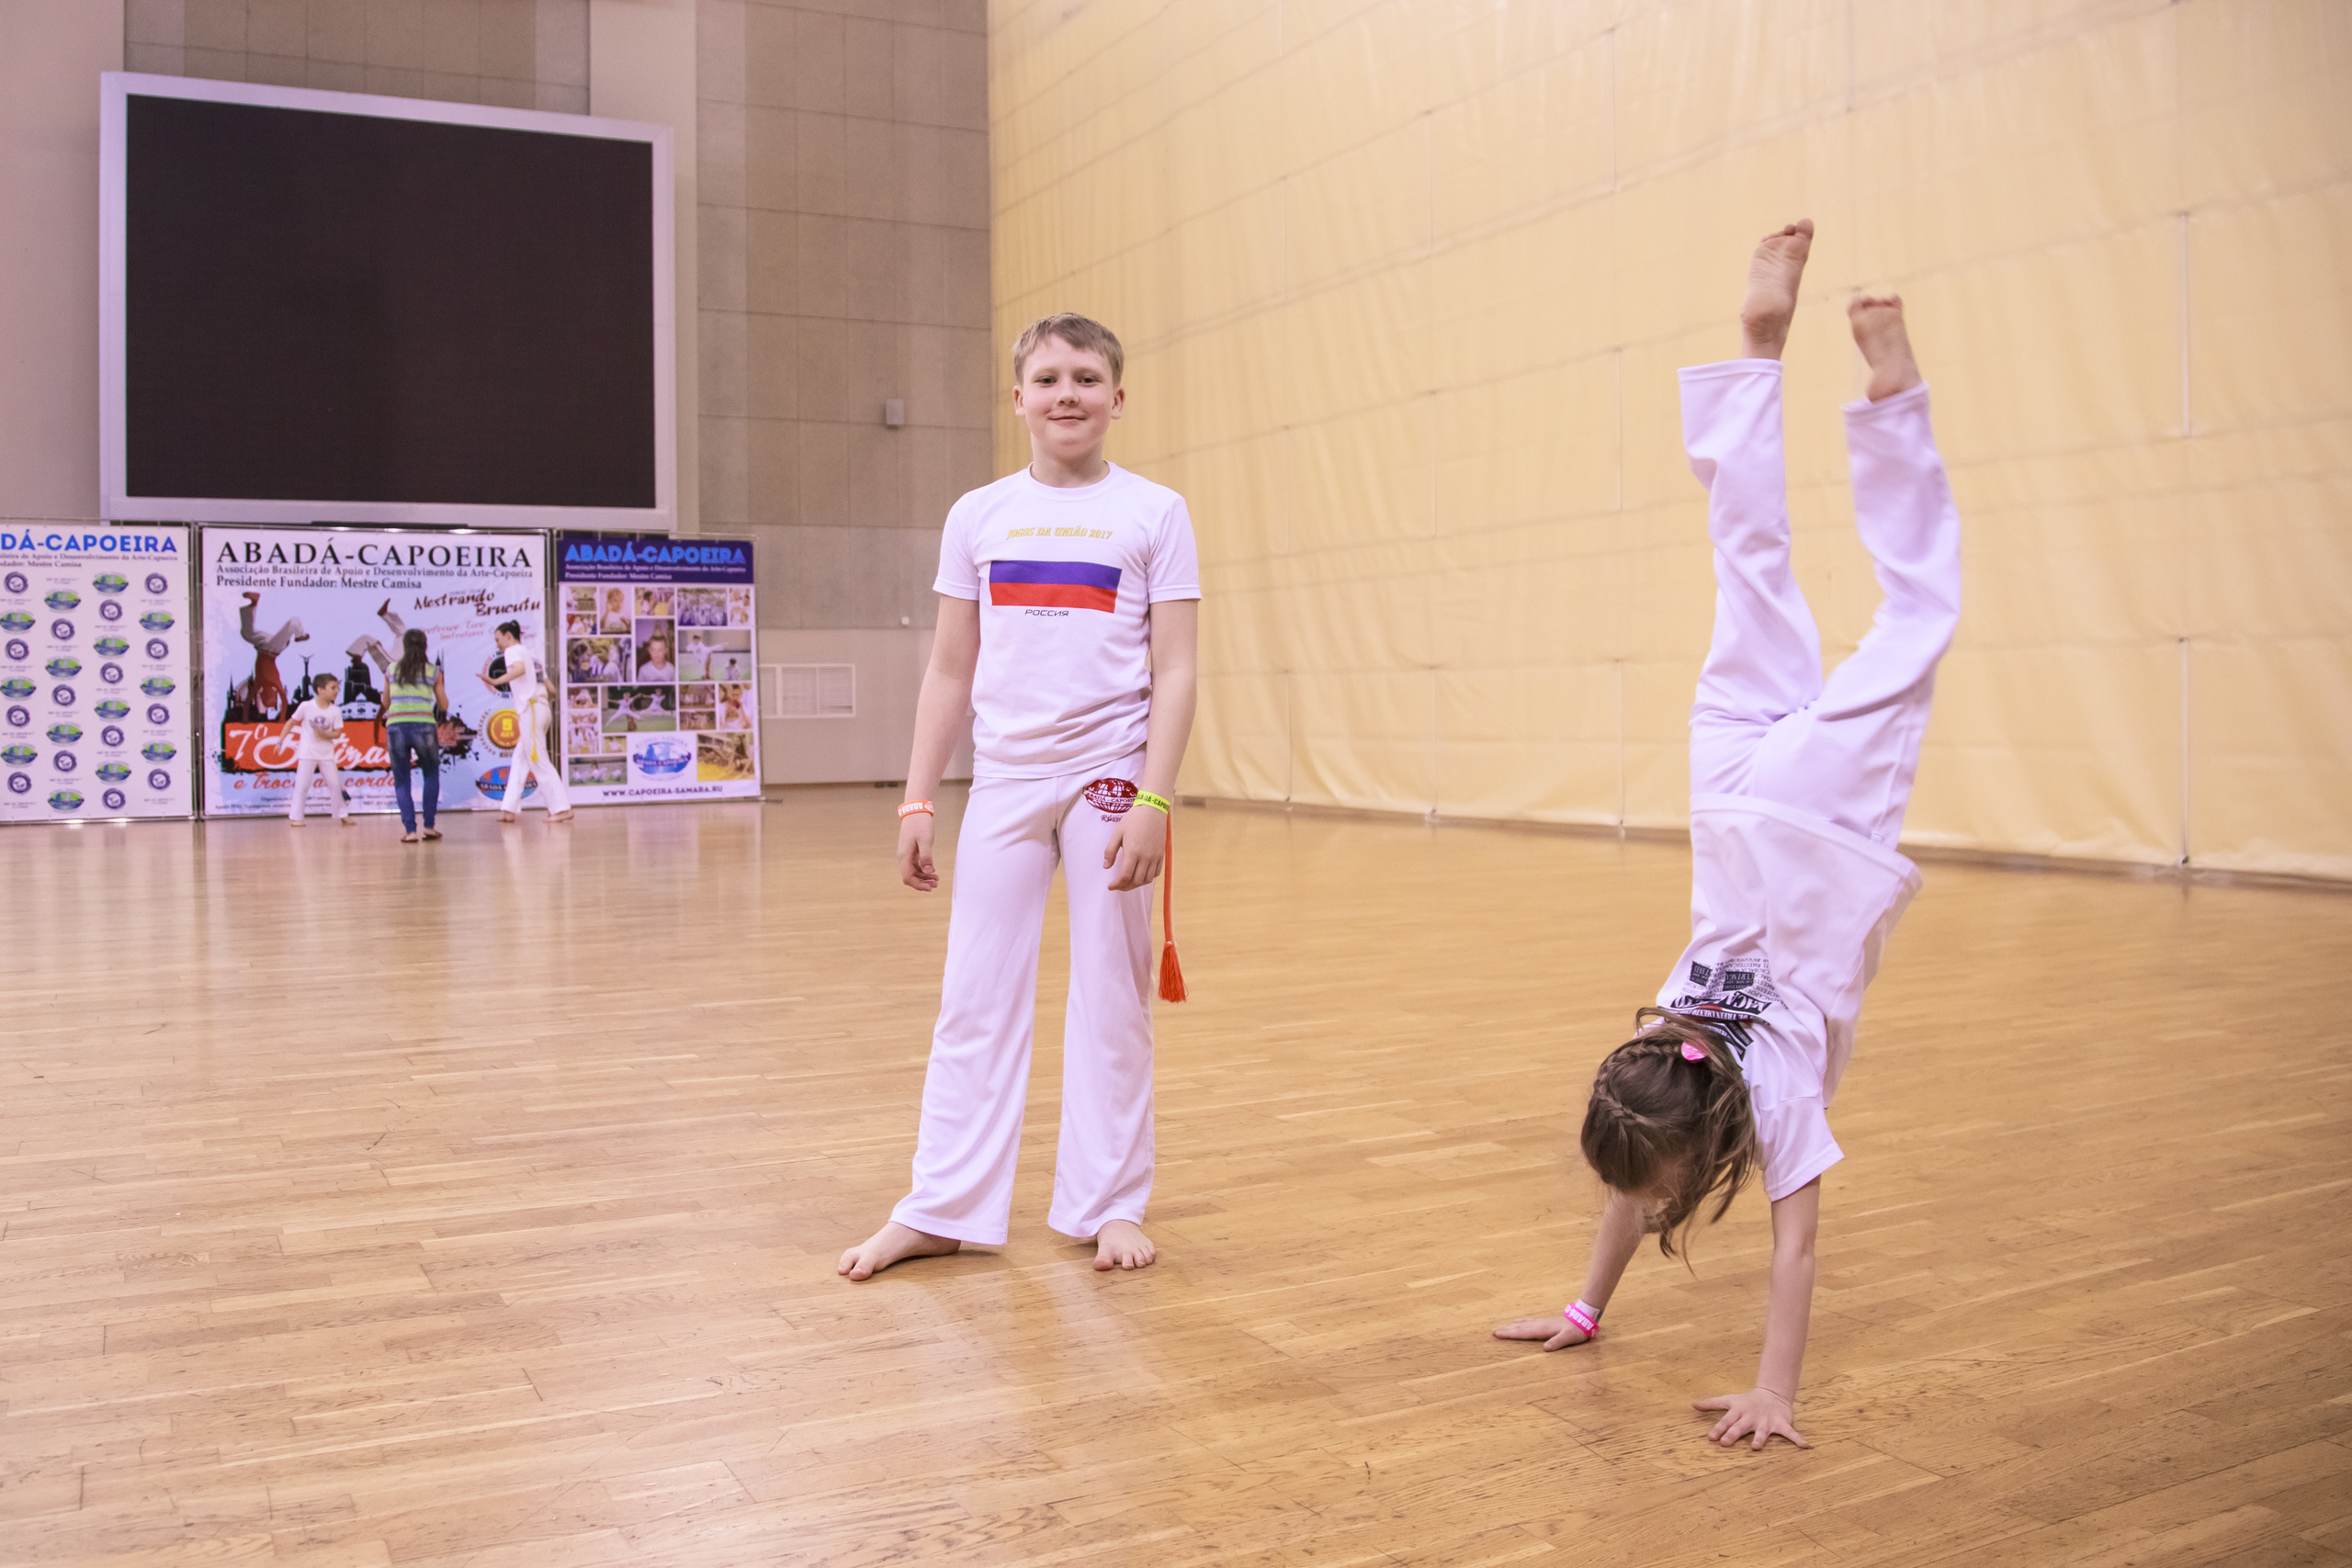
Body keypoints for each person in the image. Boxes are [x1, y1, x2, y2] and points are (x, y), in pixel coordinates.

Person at [1490, 221, 1960, 1452]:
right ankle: (1757, 350)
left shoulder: (1776, 1092)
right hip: (1730, 789)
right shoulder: (1665, 1039)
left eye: (1651, 1188)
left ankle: (1892, 395)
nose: (1642, 1205)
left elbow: (1795, 1250)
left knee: (1915, 618)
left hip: (1813, 825)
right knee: (1745, 560)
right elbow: (1632, 1181)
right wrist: (1583, 1311)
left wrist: (1775, 1395)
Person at [839, 311, 1201, 1281]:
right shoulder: (978, 514)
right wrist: (918, 800)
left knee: (1112, 995)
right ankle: (942, 1208)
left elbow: (1175, 670)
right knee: (973, 996)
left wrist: (1154, 802)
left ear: (1117, 397)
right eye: (1047, 379)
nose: (1066, 394)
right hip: (1002, 781)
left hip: (1110, 781)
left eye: (1085, 378)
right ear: (1017, 399)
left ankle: (1107, 1203)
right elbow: (949, 669)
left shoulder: (1155, 512)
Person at [490, 620, 573, 824]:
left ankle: (561, 808)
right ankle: (509, 809)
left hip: (532, 711)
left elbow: (518, 670)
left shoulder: (512, 651)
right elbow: (551, 690)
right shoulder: (532, 658)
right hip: (540, 709)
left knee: (539, 760)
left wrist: (497, 681)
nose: (497, 645)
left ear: (508, 636)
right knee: (520, 760)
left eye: (498, 639)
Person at [384, 628, 447, 843]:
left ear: (404, 646)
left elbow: (386, 702)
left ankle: (410, 831)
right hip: (424, 726)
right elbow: (443, 704)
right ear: (425, 645)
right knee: (431, 774)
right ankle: (429, 826)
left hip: (396, 726)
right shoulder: (433, 671)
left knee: (402, 779)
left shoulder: (391, 669)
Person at [282, 671, 352, 827]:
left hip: (326, 754)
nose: (336, 691)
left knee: (335, 785)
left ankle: (342, 814)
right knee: (302, 785)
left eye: (337, 688)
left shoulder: (335, 710)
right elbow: (291, 722)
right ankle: (296, 817)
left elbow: (337, 733)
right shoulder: (306, 706)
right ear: (320, 690)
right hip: (307, 753)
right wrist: (280, 742)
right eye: (332, 688)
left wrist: (324, 734)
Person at [238, 591, 308, 721]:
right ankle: (300, 635)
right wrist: (281, 720)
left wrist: (245, 720)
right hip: (273, 649)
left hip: (262, 646)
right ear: (274, 694)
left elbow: (247, 702)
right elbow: (284, 702)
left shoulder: (258, 683)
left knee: (247, 633)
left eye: (266, 697)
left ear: (262, 695)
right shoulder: (275, 682)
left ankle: (254, 602)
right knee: (293, 622)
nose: (267, 694)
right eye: (270, 697)